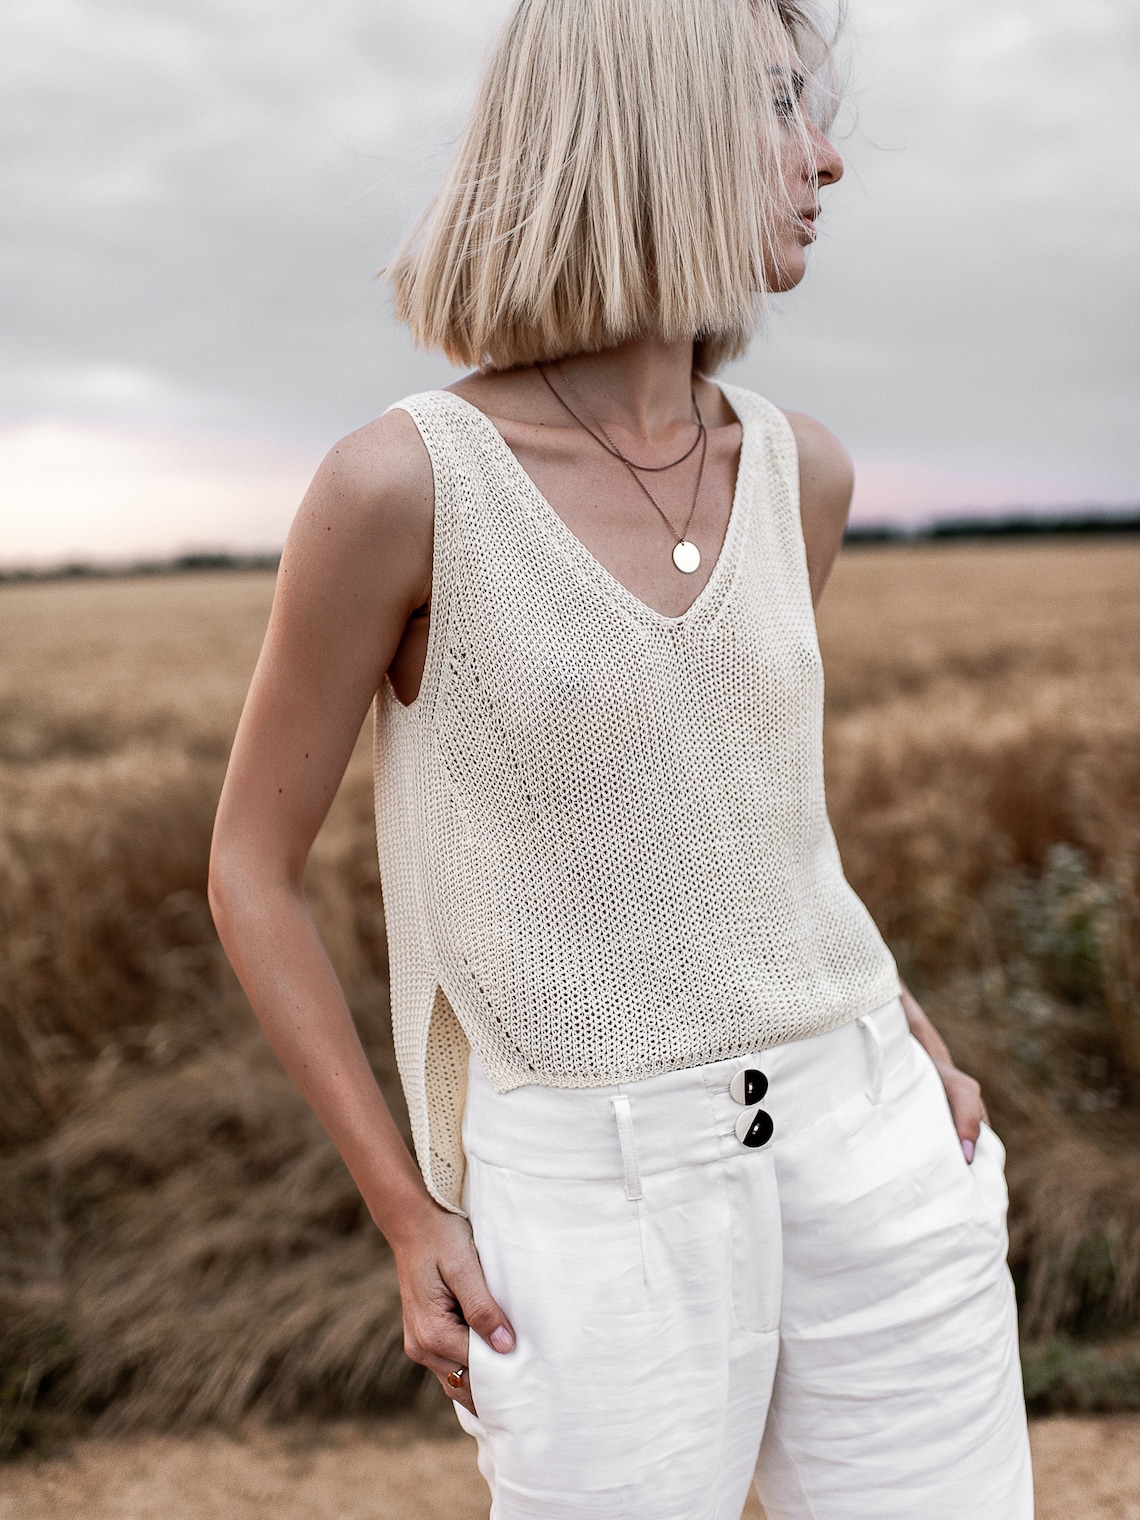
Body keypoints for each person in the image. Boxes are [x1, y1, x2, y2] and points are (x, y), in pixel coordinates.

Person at [209, 0, 1034, 1514]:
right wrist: (405, 1212)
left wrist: (890, 1010)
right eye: (785, 103)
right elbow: (248, 872)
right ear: (647, 123)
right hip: (591, 1190)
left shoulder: (806, 473)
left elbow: (740, 809)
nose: (828, 157)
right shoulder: (404, 486)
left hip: (873, 1134)